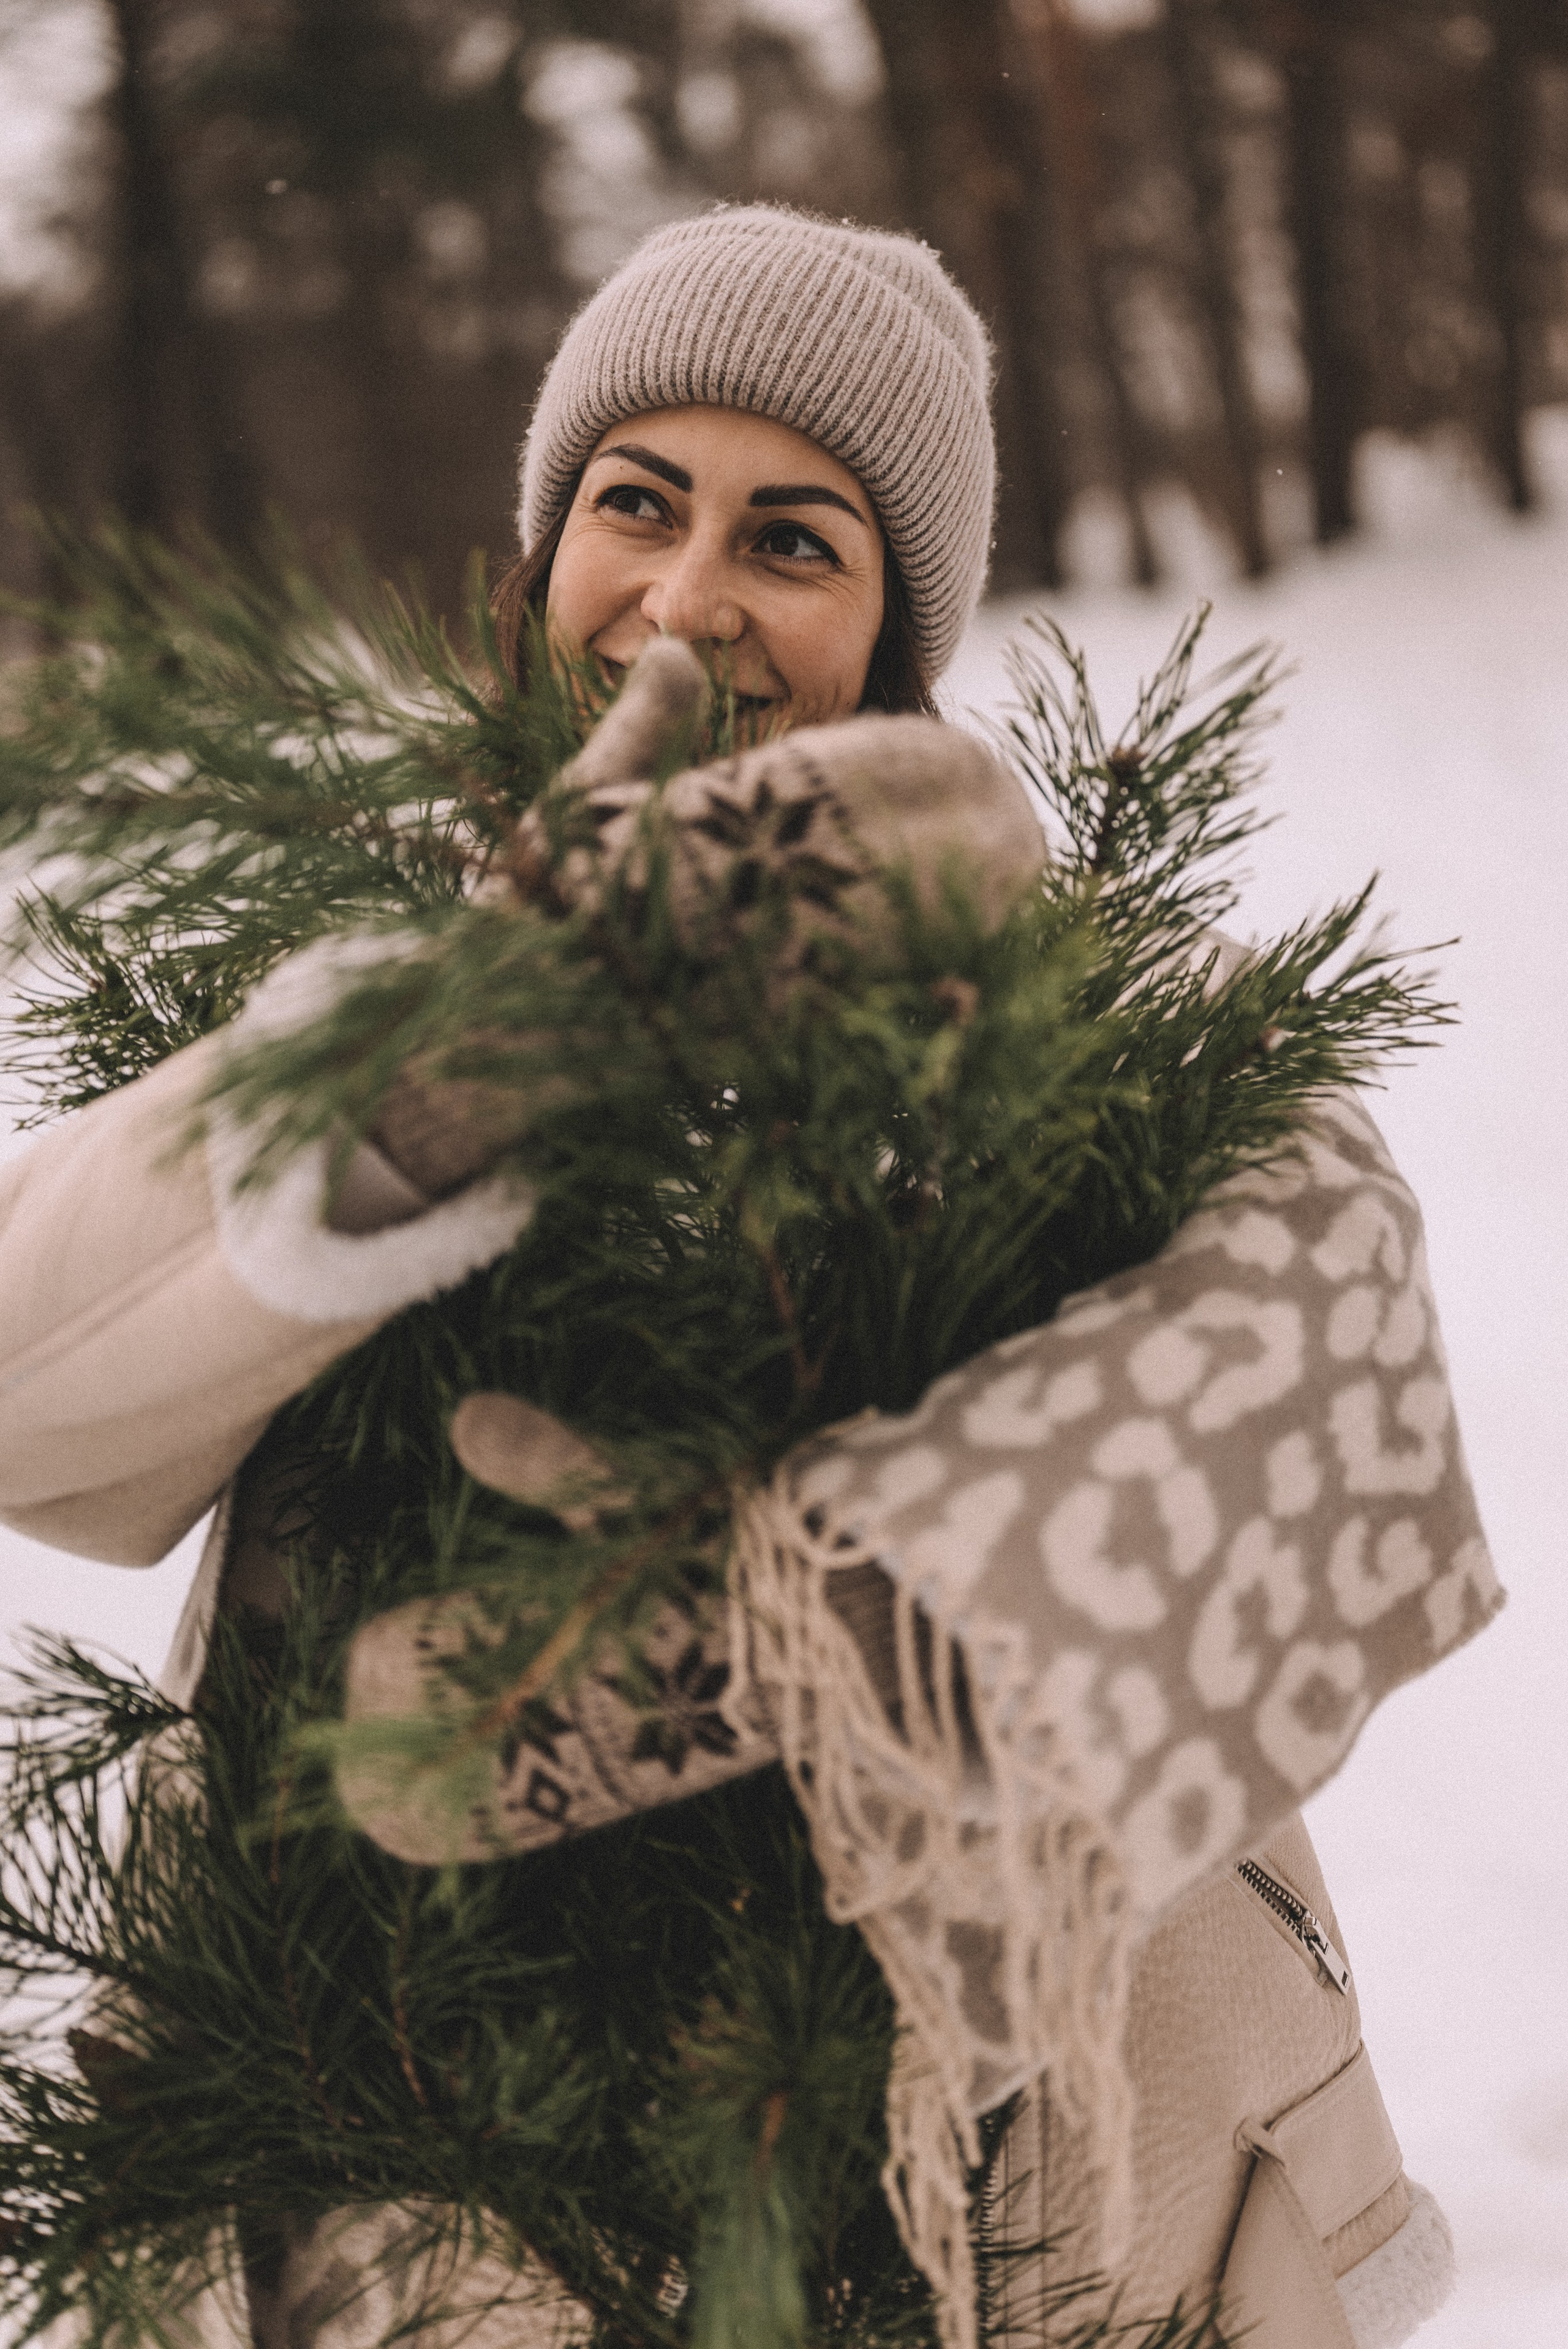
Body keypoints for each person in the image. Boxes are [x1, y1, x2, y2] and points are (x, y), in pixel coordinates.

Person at [0, 206, 1494, 2349]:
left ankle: (829, 1635)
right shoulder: (359, 974)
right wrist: (451, 1063)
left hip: (1024, 2184)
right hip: (435, 2176)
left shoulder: (1091, 998)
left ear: (896, 637)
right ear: (536, 561)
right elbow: (34, 1395)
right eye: (637, 503)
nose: (687, 598)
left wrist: (827, 1606)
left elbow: (1332, 1345)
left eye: (794, 539)